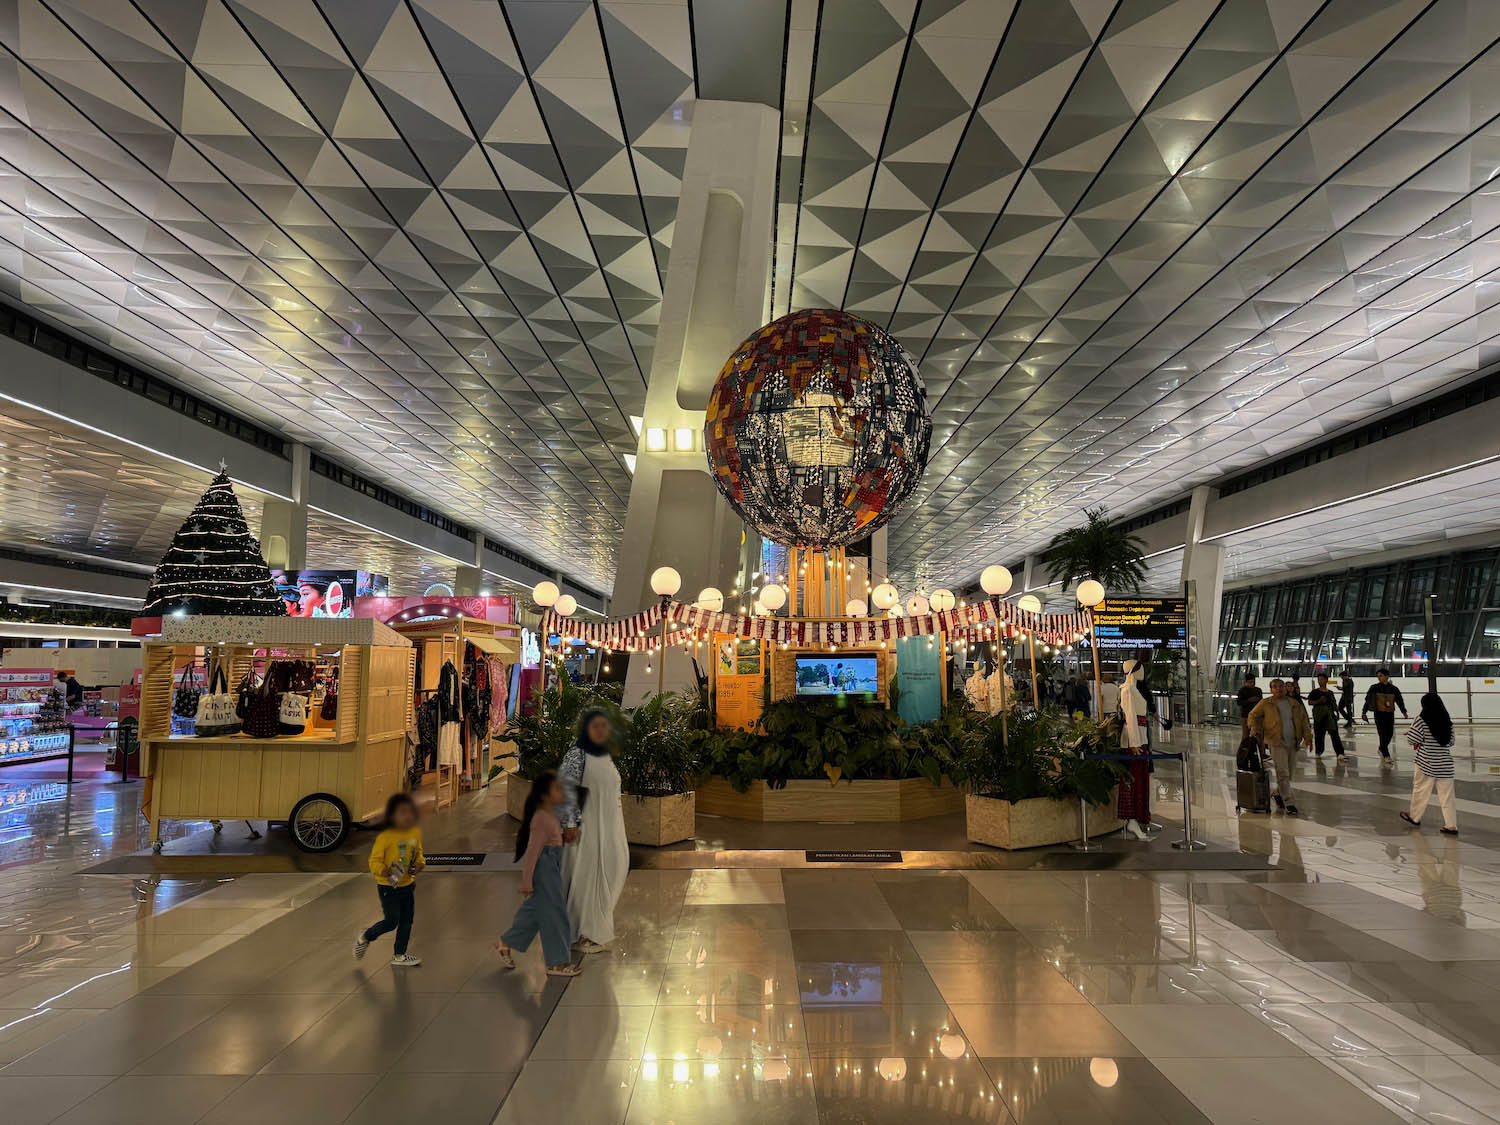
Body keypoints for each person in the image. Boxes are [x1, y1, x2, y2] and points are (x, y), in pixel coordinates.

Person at [495, 772, 582, 977]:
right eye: (557, 789)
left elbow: (550, 841)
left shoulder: (549, 814)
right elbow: (533, 852)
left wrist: (562, 838)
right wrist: (526, 881)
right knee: (555, 913)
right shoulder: (541, 818)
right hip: (545, 867)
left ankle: (506, 942)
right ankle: (556, 963)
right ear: (544, 795)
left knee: (535, 910)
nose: (561, 792)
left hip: (551, 863)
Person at [560, 708, 628, 954]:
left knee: (615, 869)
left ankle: (593, 928)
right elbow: (565, 789)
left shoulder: (605, 755)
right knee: (585, 881)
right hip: (585, 832)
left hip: (610, 828)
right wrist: (569, 824)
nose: (600, 730)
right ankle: (588, 932)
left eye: (604, 726)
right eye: (595, 726)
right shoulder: (577, 754)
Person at [354, 793, 424, 966]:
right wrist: (383, 871)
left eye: (410, 812)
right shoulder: (385, 838)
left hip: (408, 885)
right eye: (402, 812)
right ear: (392, 816)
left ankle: (399, 955)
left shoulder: (415, 833)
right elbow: (374, 861)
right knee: (392, 921)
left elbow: (419, 854)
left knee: (407, 921)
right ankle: (366, 937)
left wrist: (420, 864)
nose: (407, 816)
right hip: (388, 886)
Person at [1248, 678, 1312, 816]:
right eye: (1275, 687)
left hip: (1293, 743)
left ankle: (1277, 793)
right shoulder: (1266, 703)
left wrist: (1308, 737)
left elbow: (1304, 721)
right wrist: (1253, 726)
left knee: (1290, 774)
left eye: (1281, 686)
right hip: (1276, 743)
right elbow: (1253, 715)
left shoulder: (1294, 703)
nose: (1279, 689)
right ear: (1271, 690)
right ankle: (1289, 803)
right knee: (1282, 772)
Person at [1400, 693, 1458, 836]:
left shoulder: (1420, 720)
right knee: (1447, 797)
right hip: (1445, 765)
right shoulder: (1447, 721)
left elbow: (1412, 740)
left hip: (1425, 763)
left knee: (1420, 791)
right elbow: (1450, 742)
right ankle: (1451, 826)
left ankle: (1415, 817)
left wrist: (1412, 735)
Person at [1116, 659, 1151, 840]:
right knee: (1133, 781)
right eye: (1140, 668)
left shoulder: (1134, 689)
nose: (1143, 671)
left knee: (1140, 780)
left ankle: (1136, 819)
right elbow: (1130, 717)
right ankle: (1132, 819)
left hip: (1140, 739)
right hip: (1133, 742)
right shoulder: (1127, 690)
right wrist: (1135, 743)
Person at [1362, 668, 1408, 761]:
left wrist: (1404, 711)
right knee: (1382, 733)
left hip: (1389, 713)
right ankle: (1386, 754)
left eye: (1381, 676)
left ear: (1387, 676)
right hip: (1379, 713)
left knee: (1390, 733)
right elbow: (1368, 700)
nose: (1379, 678)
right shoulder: (1374, 687)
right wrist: (1364, 712)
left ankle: (1381, 748)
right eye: (1378, 676)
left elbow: (1399, 700)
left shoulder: (1394, 689)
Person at [1307, 673, 1346, 758]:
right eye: (1319, 680)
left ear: (1326, 680)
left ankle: (1340, 752)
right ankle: (1319, 751)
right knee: (1319, 734)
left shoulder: (1330, 693)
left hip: (1330, 715)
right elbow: (1310, 702)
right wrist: (1319, 701)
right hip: (1319, 715)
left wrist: (1337, 712)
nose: (1320, 681)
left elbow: (1334, 703)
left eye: (1321, 679)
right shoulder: (1315, 692)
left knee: (1334, 734)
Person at [1236, 674, 1263, 740]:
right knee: (1246, 735)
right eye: (1249, 682)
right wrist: (1249, 700)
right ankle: (1245, 749)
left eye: (1252, 682)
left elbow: (1261, 702)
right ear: (1245, 682)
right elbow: (1239, 702)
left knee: (1258, 735)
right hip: (1245, 715)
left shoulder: (1258, 690)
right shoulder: (1242, 690)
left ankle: (1258, 749)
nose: (1251, 684)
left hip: (1256, 715)